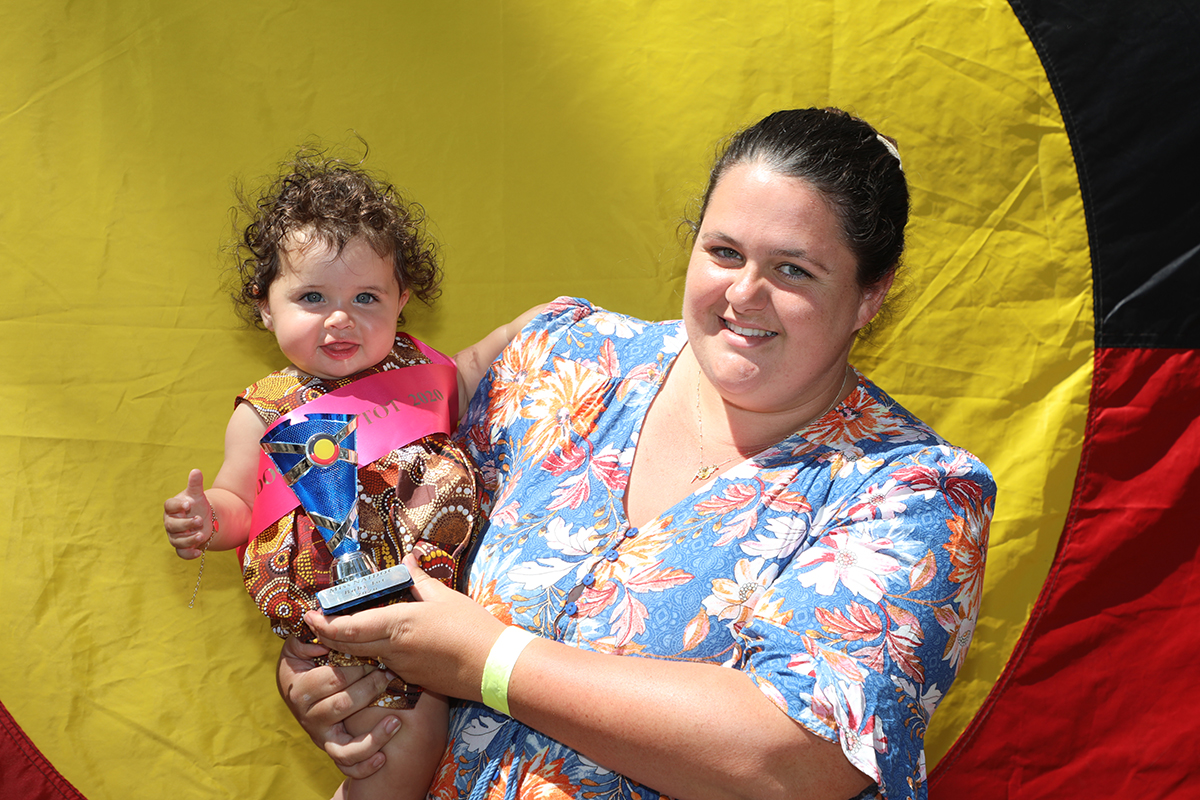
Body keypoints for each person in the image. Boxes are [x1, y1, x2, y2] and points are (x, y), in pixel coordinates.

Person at [277, 108, 996, 800]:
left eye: (794, 271)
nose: (744, 294)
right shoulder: (563, 360)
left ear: (871, 296)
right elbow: (381, 515)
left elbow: (797, 760)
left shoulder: (914, 494)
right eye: (724, 252)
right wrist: (330, 662)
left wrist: (489, 661)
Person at [162, 147, 540, 800]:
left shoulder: (421, 374)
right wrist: (206, 519)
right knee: (391, 761)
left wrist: (543, 318)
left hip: (435, 613)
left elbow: (483, 358)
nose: (341, 317)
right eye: (312, 296)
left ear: (403, 300)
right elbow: (236, 499)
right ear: (264, 305)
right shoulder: (264, 411)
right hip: (338, 629)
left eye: (366, 296)